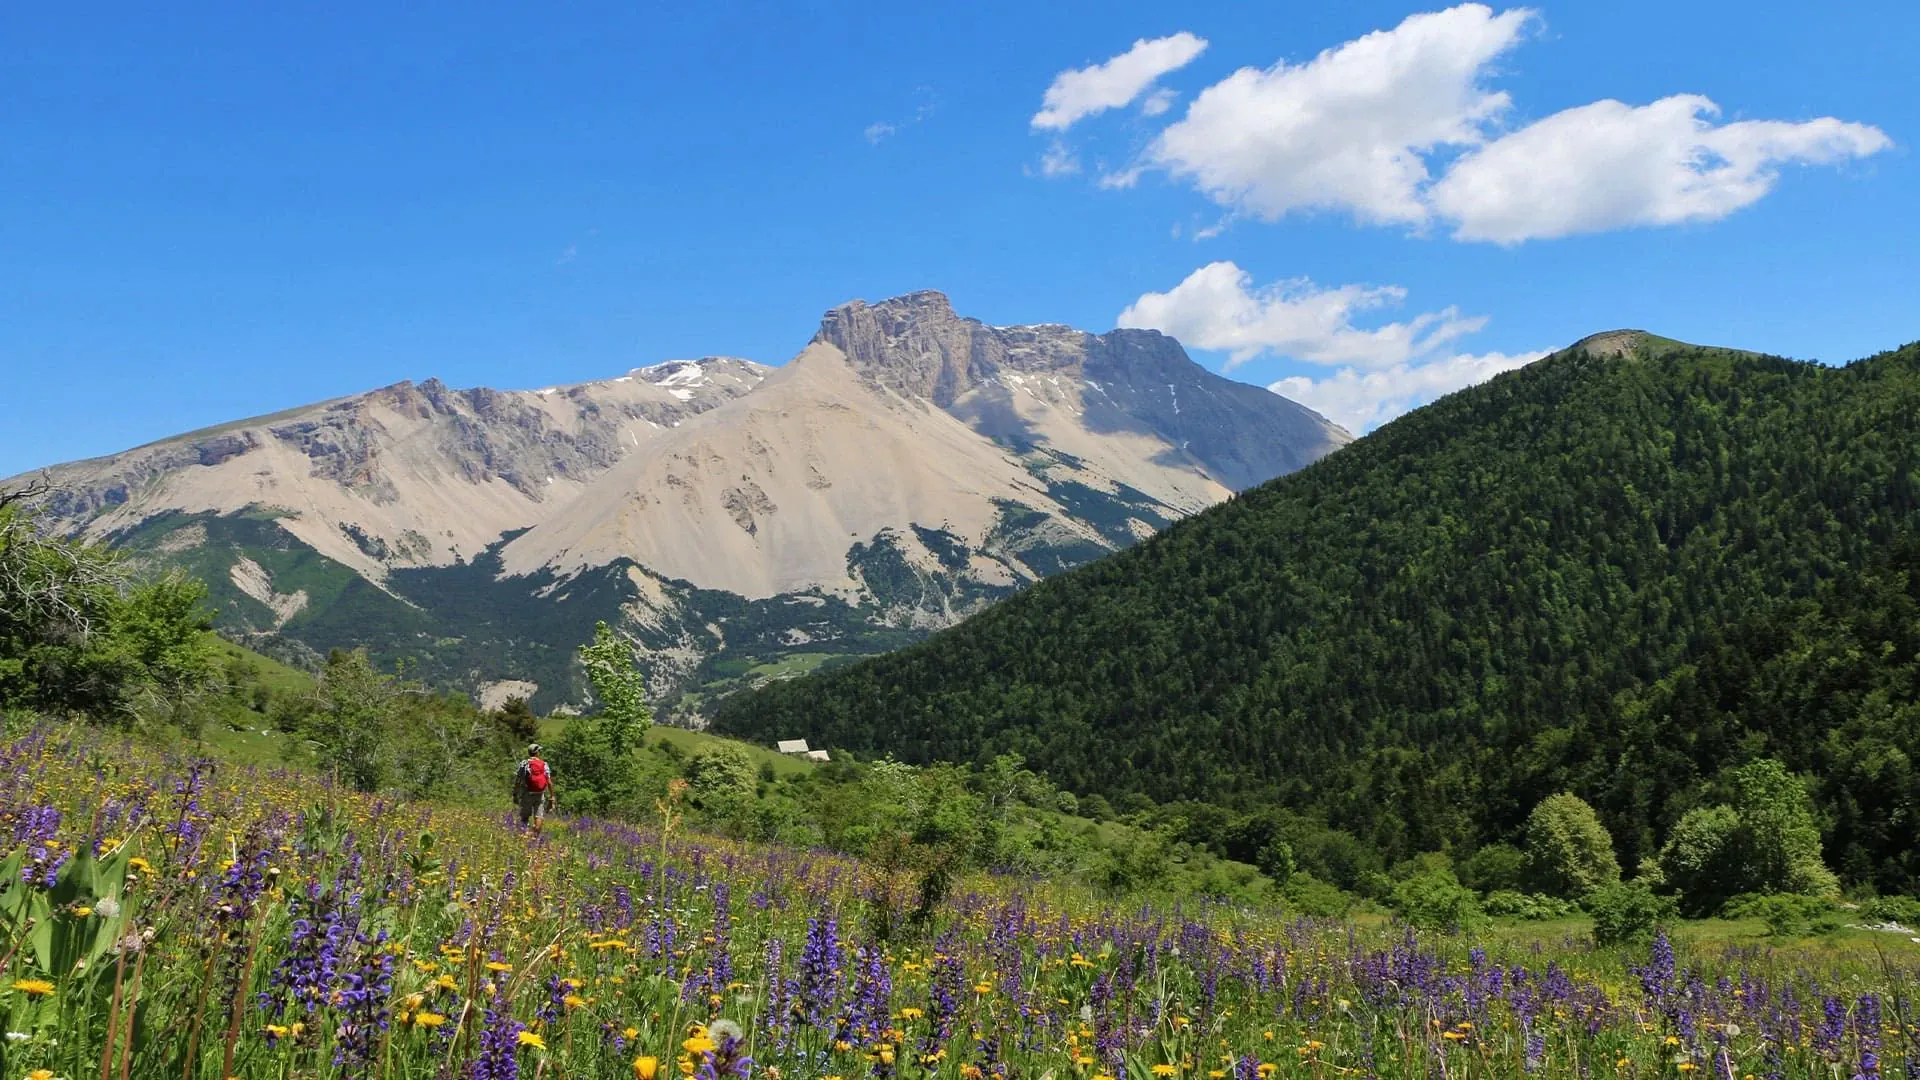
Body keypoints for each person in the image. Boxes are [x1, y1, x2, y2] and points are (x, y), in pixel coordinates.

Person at [513, 743, 553, 829]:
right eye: (539, 751)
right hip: (540, 793)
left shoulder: (524, 763)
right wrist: (552, 796)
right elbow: (549, 782)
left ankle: (524, 835)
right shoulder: (544, 764)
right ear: (537, 752)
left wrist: (515, 794)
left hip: (527, 793)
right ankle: (535, 837)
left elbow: (518, 781)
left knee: (525, 817)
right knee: (539, 817)